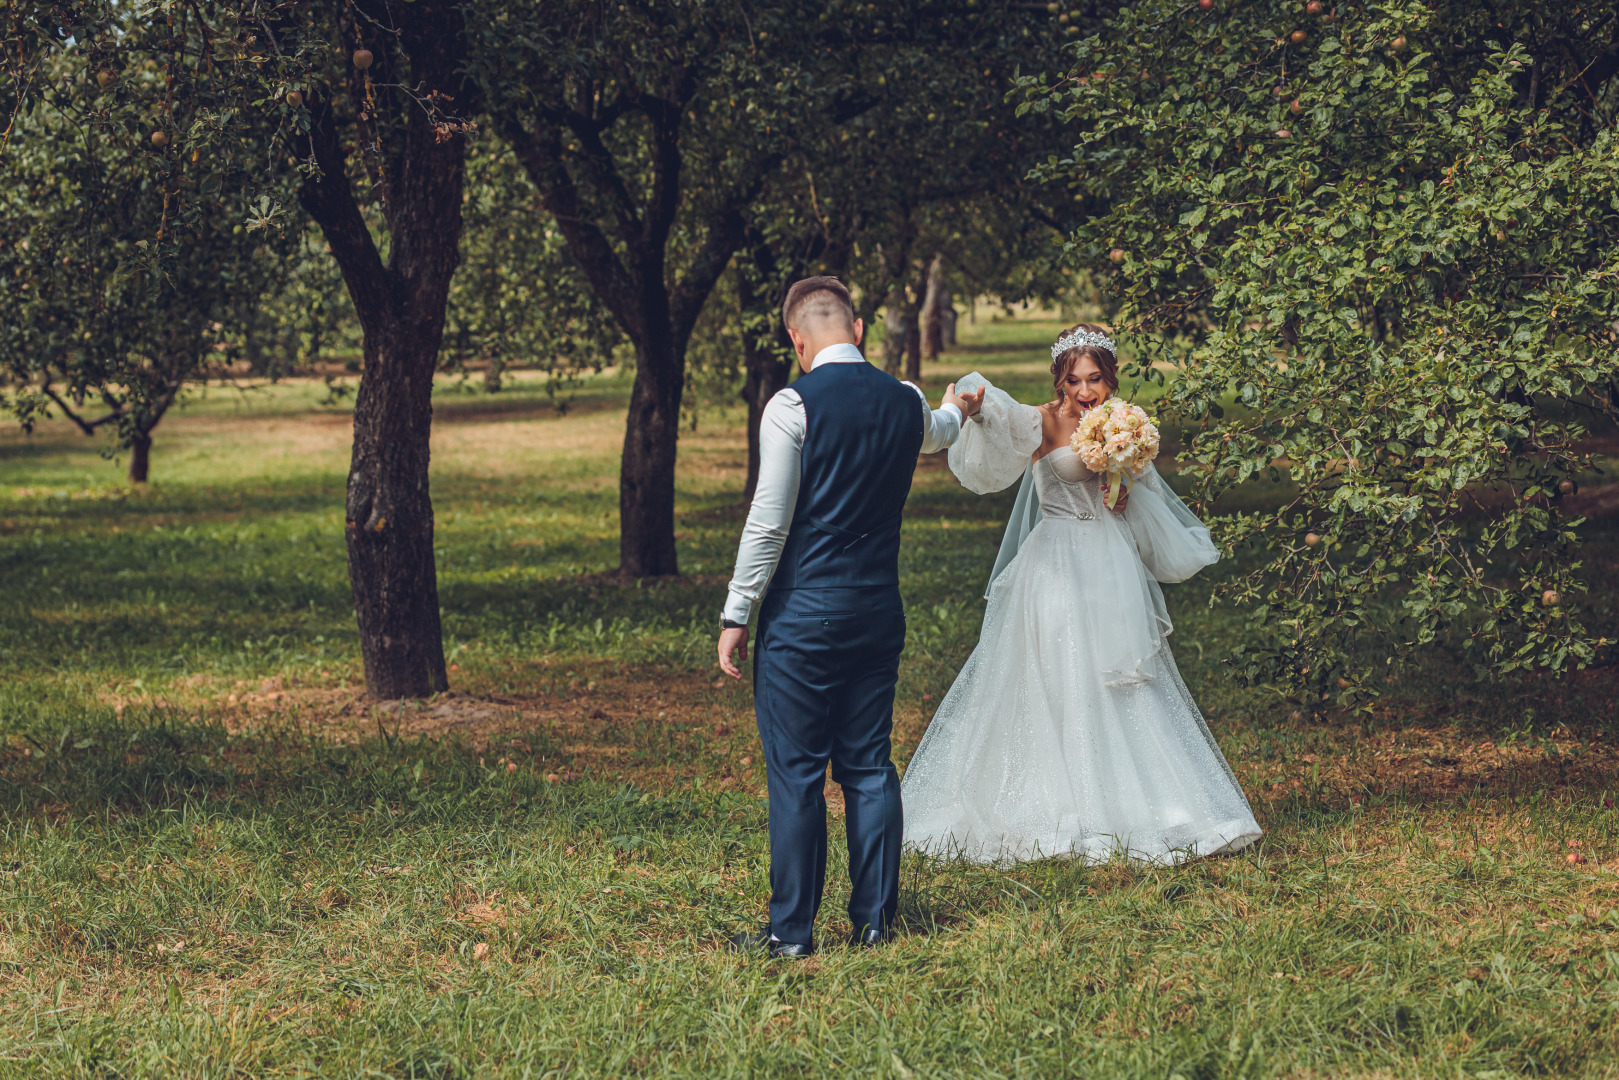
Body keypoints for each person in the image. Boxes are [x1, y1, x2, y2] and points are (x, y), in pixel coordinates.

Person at [900, 324, 1262, 865]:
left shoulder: (1123, 424)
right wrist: (975, 409)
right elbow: (1003, 417)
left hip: (1110, 560)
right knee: (1056, 669)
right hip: (1056, 561)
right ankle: (1054, 802)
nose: (1085, 391)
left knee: (1121, 675)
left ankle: (1143, 804)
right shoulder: (1042, 421)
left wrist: (1122, 489)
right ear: (1061, 380)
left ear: (1109, 378)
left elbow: (1140, 495)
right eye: (1075, 380)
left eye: (1095, 379)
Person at [717, 276, 984, 958]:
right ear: (859, 328)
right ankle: (873, 923)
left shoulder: (790, 405)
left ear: (796, 341)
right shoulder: (904, 400)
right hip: (876, 612)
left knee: (798, 773)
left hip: (802, 617)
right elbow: (939, 432)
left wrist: (737, 609)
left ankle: (791, 935)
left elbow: (768, 523)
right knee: (868, 766)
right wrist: (960, 405)